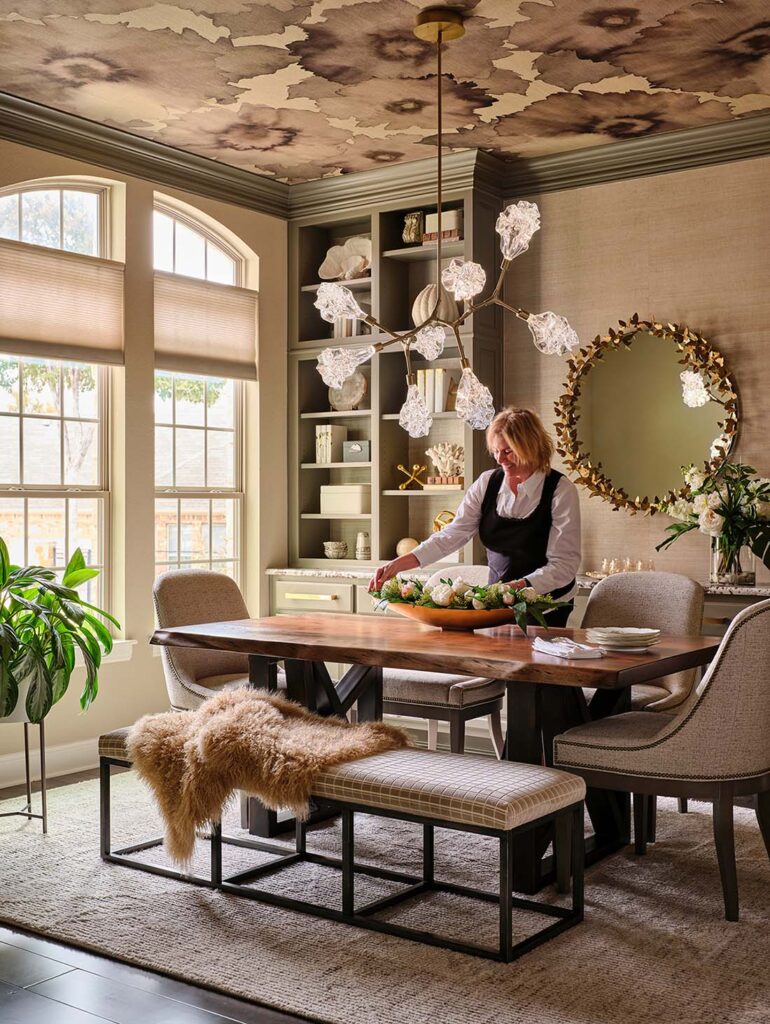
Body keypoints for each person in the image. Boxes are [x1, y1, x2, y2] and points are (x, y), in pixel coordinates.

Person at [370, 407, 581, 626]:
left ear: (530, 446)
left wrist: (517, 587)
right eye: (496, 451)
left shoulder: (560, 490)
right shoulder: (487, 483)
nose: (500, 459)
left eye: (508, 451)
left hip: (546, 604)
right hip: (498, 604)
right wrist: (397, 564)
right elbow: (452, 535)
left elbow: (564, 565)